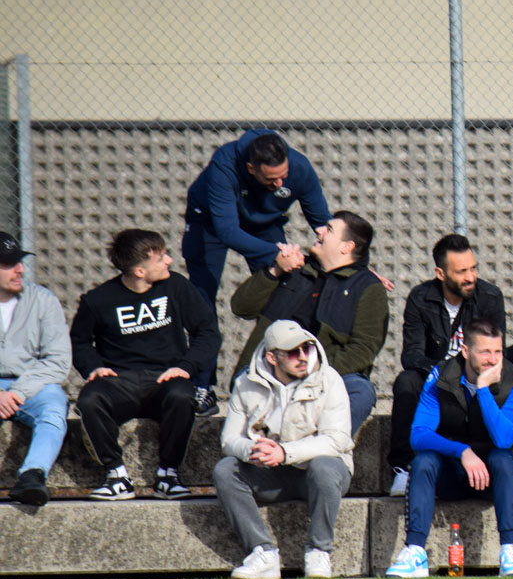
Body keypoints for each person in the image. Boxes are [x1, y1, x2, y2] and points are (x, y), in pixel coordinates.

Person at [181, 129, 331, 411]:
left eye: (283, 176)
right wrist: (278, 255)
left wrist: (355, 265)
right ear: (251, 168)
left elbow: (323, 224)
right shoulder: (225, 166)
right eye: (271, 179)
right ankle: (202, 386)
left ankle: (288, 377)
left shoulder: (300, 167)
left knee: (288, 292)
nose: (280, 183)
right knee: (202, 301)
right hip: (210, 224)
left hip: (265, 225)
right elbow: (228, 231)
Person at [70, 229, 221, 500]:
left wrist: (186, 366)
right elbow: (79, 342)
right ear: (139, 271)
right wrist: (93, 367)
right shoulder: (98, 300)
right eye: (161, 258)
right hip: (120, 382)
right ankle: (117, 476)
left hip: (166, 378)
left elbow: (208, 332)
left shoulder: (176, 286)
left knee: (182, 395)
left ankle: (168, 475)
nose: (169, 261)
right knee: (90, 400)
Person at [386, 317, 513, 578]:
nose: (493, 360)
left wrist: (483, 389)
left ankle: (510, 551)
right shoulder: (441, 376)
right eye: (484, 352)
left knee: (504, 458)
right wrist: (462, 451)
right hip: (452, 471)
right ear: (465, 351)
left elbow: (504, 439)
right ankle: (415, 552)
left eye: (498, 351)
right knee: (423, 461)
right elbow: (418, 435)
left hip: (493, 477)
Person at [215, 321, 354, 579]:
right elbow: (229, 440)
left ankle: (319, 551)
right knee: (225, 470)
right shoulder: (245, 383)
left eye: (306, 349)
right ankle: (262, 553)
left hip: (320, 473)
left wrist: (284, 451)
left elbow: (336, 440)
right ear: (272, 357)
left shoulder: (329, 379)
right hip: (271, 472)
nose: (303, 357)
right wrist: (254, 449)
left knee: (324, 466)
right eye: (292, 352)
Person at [229, 211, 386, 434]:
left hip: (327, 375)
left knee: (361, 392)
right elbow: (241, 307)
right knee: (247, 382)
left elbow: (363, 349)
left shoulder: (367, 287)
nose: (318, 231)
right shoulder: (293, 268)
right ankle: (265, 447)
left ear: (346, 247)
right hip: (271, 370)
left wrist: (314, 372)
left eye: (329, 229)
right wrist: (275, 270)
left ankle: (323, 446)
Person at [388, 234, 506, 496]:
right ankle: (403, 468)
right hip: (436, 378)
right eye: (461, 271)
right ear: (440, 274)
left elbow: (496, 353)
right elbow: (412, 356)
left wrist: (468, 376)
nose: (470, 277)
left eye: (473, 268)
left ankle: (503, 461)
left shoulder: (489, 297)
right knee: (407, 382)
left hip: (475, 378)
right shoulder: (421, 298)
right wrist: (447, 375)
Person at [0, 232, 71, 507]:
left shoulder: (43, 300)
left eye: (19, 261)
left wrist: (17, 392)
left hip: (31, 384)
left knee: (54, 405)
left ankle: (33, 475)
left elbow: (58, 360)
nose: (20, 269)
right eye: (8, 264)